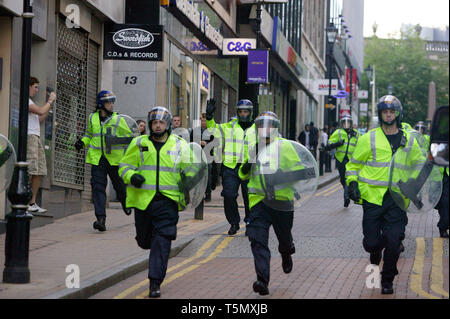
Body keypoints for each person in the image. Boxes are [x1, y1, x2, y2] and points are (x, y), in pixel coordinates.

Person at [346, 95, 424, 295]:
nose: (388, 115)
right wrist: (352, 182)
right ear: (380, 115)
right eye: (385, 112)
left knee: (394, 240)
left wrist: (414, 185)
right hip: (372, 199)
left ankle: (387, 279)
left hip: (397, 200)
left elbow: (418, 164)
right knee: (372, 243)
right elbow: (353, 165)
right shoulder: (368, 138)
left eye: (392, 112)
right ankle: (375, 252)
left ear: (398, 114)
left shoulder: (408, 140)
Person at [119, 106, 197, 298]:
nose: (158, 125)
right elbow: (123, 167)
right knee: (145, 241)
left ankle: (155, 282)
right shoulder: (138, 143)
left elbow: (193, 170)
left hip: (168, 203)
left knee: (161, 242)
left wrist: (188, 183)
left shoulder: (179, 145)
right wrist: (132, 176)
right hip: (143, 202)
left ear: (168, 124)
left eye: (161, 122)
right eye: (154, 122)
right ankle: (152, 260)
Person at [239, 111, 308, 295]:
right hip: (259, 202)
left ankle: (286, 252)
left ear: (275, 128)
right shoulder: (253, 147)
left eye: (269, 125)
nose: (265, 129)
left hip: (281, 201)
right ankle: (262, 279)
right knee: (257, 239)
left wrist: (281, 177)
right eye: (261, 125)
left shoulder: (285, 147)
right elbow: (243, 175)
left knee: (284, 236)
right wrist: (246, 167)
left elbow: (300, 171)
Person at [75, 90, 132, 232]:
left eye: (112, 102)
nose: (111, 104)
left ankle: (125, 202)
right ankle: (100, 219)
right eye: (108, 102)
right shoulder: (92, 117)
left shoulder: (119, 119)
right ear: (101, 103)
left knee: (119, 185)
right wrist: (82, 142)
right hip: (97, 158)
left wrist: (115, 141)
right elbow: (89, 134)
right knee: (98, 187)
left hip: (114, 159)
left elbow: (129, 137)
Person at [205, 98, 256, 235]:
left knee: (249, 198)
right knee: (228, 195)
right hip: (230, 166)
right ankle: (234, 222)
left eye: (246, 111)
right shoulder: (230, 126)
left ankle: (250, 222)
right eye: (241, 112)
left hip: (249, 168)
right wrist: (209, 117)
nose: (243, 114)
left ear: (251, 113)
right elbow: (213, 129)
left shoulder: (257, 128)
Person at [27, 77, 56, 214]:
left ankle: (32, 202)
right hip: (30, 137)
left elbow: (39, 117)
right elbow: (39, 110)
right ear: (29, 86)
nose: (36, 90)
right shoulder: (25, 101)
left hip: (36, 136)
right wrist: (49, 101)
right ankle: (24, 201)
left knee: (40, 170)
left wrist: (48, 108)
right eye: (35, 87)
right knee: (31, 169)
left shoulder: (31, 101)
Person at [325, 115, 360, 207]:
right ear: (342, 123)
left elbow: (361, 145)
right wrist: (338, 143)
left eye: (348, 122)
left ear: (351, 124)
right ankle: (347, 192)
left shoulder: (356, 133)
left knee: (347, 178)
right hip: (340, 159)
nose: (346, 124)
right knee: (342, 179)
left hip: (351, 160)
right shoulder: (338, 132)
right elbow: (329, 144)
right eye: (345, 122)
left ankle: (346, 196)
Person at [190, 113, 219, 202]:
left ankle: (208, 193)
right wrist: (199, 142)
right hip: (197, 156)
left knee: (208, 174)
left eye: (205, 121)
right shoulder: (195, 131)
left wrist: (208, 144)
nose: (203, 123)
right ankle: (197, 193)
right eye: (202, 121)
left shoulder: (212, 131)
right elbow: (190, 142)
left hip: (208, 155)